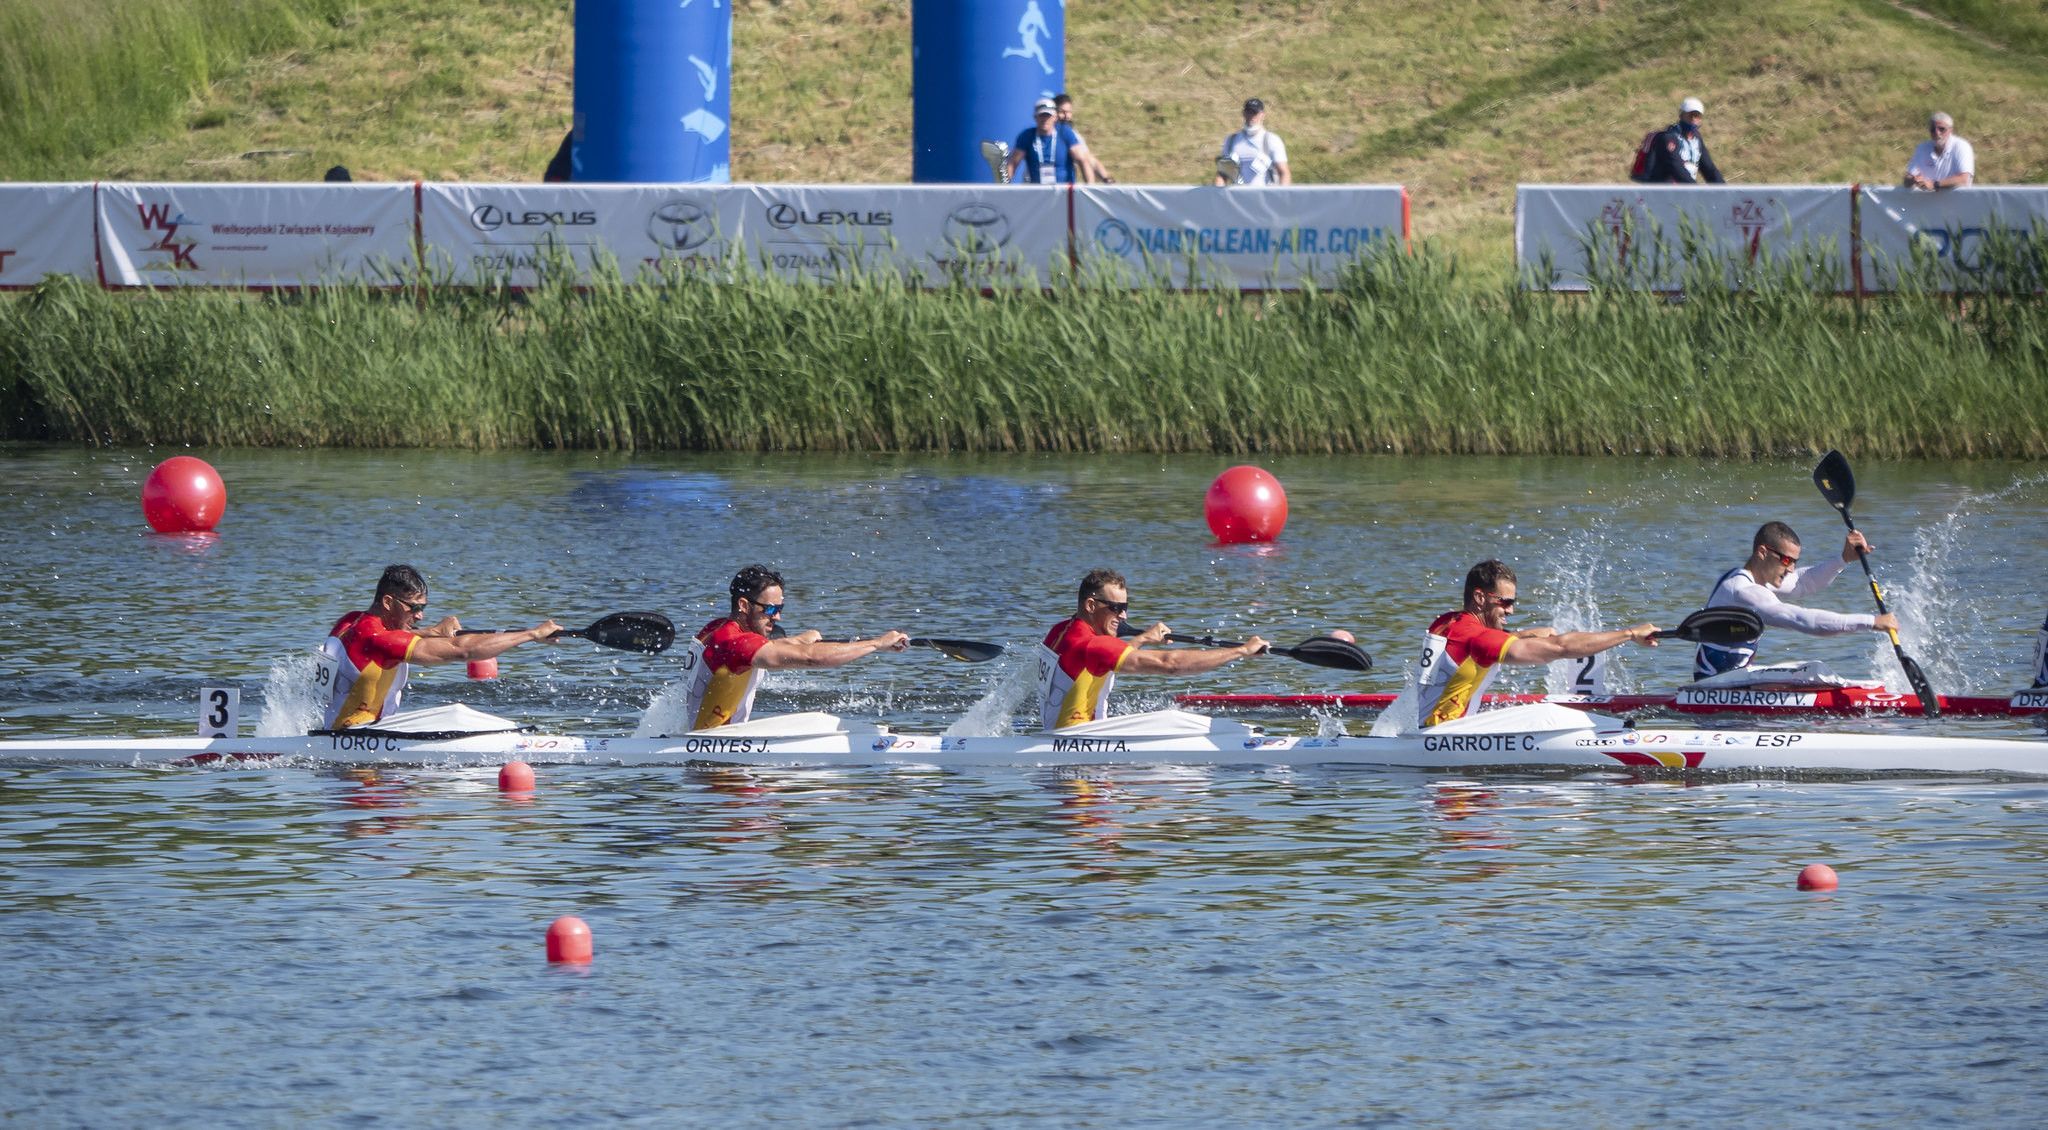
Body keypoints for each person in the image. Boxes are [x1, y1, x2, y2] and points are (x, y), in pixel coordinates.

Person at [1416, 560, 1658, 728]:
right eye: (1505, 602)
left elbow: (1467, 647)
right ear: (1480, 597)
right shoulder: (1479, 639)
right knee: (1549, 714)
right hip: (1442, 737)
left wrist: (1522, 635)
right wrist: (1630, 633)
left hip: (1430, 729)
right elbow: (1561, 648)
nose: (1511, 610)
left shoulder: (1448, 622)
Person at [318, 565, 560, 729]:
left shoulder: (351, 621)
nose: (420, 616)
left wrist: (431, 632)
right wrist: (532, 634)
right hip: (356, 743)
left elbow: (385, 637)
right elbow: (462, 650)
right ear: (388, 601)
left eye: (423, 608)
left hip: (340, 730)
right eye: (414, 608)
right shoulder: (381, 641)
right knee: (455, 716)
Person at [680, 564, 909, 731]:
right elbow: (811, 659)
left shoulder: (718, 628)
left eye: (780, 608)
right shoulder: (736, 643)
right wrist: (876, 644)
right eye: (770, 610)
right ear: (743, 605)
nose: (777, 617)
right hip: (716, 763)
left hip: (711, 739)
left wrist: (799, 639)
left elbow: (768, 646)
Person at [1038, 569, 1268, 730]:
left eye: (1125, 607)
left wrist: (1142, 639)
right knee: (1173, 720)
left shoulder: (1061, 630)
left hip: (1063, 734)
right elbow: (1171, 665)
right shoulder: (1093, 645)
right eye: (1116, 608)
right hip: (1077, 742)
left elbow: (1101, 660)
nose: (1124, 616)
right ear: (1090, 605)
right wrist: (1242, 651)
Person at [1695, 522, 1896, 679]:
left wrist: (1843, 559)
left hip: (1732, 681)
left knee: (1810, 672)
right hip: (1715, 685)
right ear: (1762, 552)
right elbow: (1802, 620)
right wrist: (1872, 622)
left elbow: (1803, 581)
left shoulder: (1754, 578)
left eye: (1795, 562)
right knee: (1813, 671)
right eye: (1786, 560)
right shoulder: (1743, 590)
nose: (1791, 568)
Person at [1004, 97, 1093, 186]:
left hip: (1064, 191)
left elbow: (1082, 160)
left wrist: (1090, 187)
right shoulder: (1027, 136)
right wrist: (1005, 188)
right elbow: (1013, 163)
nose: (1045, 120)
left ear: (1055, 117)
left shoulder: (1065, 133)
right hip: (1038, 191)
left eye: (1048, 116)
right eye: (1041, 116)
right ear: (1035, 117)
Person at [1641, 97, 1725, 184]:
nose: (1693, 119)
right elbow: (1676, 167)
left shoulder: (1697, 139)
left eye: (1697, 115)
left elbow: (1709, 168)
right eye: (1690, 115)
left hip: (1684, 190)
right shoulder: (1668, 138)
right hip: (1665, 191)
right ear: (1681, 115)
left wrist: (1725, 191)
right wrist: (1696, 190)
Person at [1215, 97, 1291, 186]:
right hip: (1237, 197)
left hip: (1264, 197)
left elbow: (1284, 172)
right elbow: (1222, 174)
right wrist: (1217, 195)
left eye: (1255, 112)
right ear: (1244, 113)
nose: (1252, 116)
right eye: (1249, 112)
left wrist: (1282, 196)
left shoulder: (1272, 140)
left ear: (1262, 115)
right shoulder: (1231, 140)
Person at [1904, 112, 1974, 191]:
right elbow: (1907, 180)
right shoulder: (1922, 148)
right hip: (1928, 202)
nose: (1937, 133)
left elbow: (1964, 180)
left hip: (1957, 201)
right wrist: (1914, 180)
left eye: (1942, 129)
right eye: (1933, 130)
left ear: (1950, 130)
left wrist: (1934, 184)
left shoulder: (1961, 146)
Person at [1053, 93, 1114, 184]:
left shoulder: (1072, 135)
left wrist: (1106, 179)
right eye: (1062, 112)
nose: (1067, 116)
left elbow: (1089, 159)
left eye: (1069, 112)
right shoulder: (1039, 132)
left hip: (1063, 187)